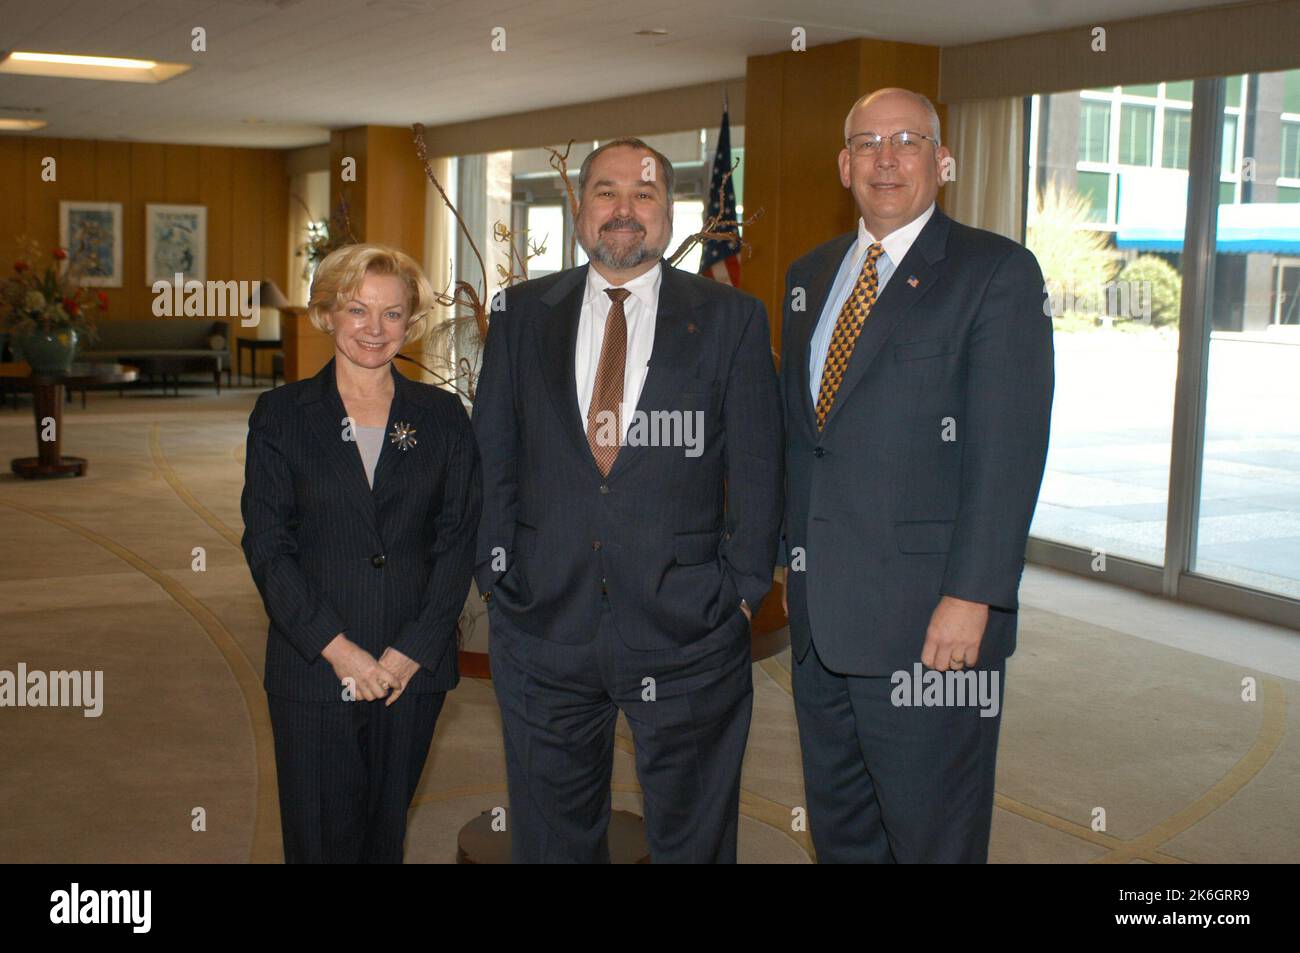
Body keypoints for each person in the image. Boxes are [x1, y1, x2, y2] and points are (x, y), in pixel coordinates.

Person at [472, 137, 783, 863]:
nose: (624, 210)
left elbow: (761, 467)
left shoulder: (731, 317)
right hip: (543, 625)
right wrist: (495, 579)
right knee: (550, 839)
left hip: (690, 631)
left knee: (694, 838)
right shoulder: (521, 314)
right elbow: (492, 456)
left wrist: (740, 593)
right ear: (579, 208)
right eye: (606, 192)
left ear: (667, 213)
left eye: (643, 194)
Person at [780, 88, 1054, 863]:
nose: (886, 157)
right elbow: (805, 439)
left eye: (907, 139)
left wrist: (973, 595)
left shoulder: (995, 272)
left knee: (933, 836)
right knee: (844, 836)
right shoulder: (811, 275)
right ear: (843, 165)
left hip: (933, 627)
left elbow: (1011, 452)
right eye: (866, 142)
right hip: (822, 627)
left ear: (943, 159)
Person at [241, 243, 481, 863]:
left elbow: (457, 543)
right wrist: (340, 652)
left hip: (411, 671)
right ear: (325, 314)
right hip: (315, 668)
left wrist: (409, 655)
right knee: (320, 841)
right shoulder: (282, 414)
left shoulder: (442, 415)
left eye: (392, 314)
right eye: (357, 310)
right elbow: (268, 546)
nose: (375, 330)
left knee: (384, 838)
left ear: (411, 322)